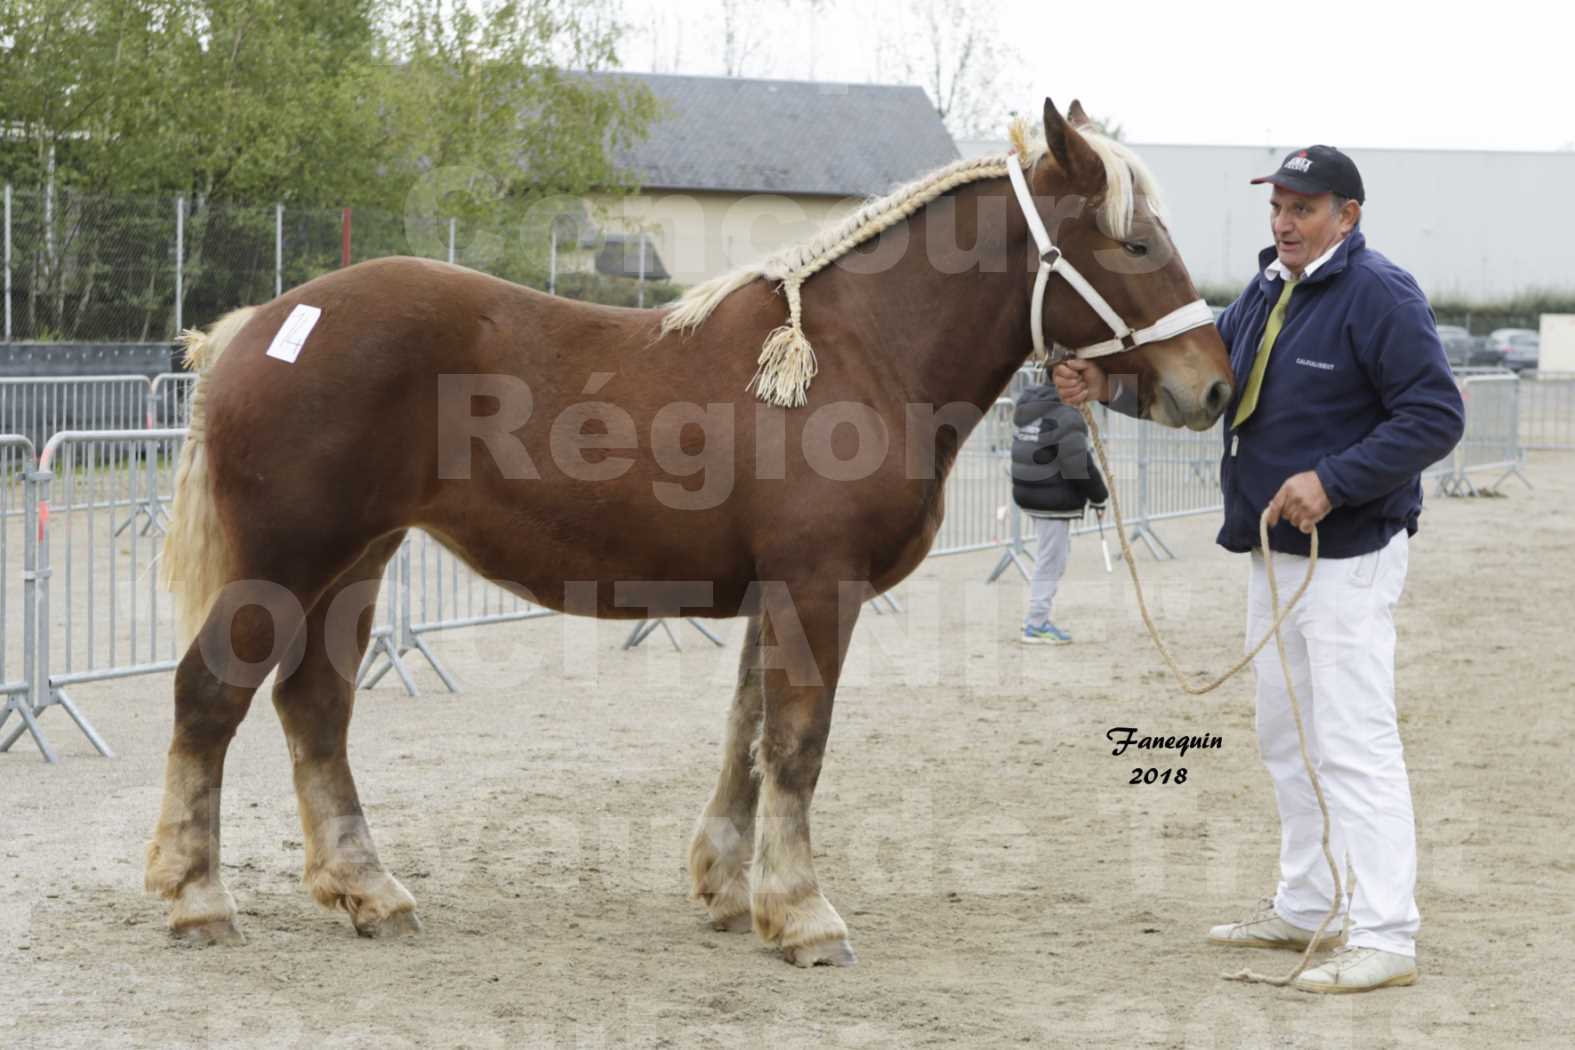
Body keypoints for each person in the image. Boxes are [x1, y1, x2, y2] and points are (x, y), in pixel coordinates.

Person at [1054, 145, 1464, 994]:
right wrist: (1108, 386)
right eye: (1277, 206)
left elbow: (1434, 414)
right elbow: (1213, 395)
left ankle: (1386, 934)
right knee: (1286, 739)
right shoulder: (1264, 291)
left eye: (1303, 209)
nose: (1283, 222)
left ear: (1346, 216)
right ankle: (1307, 905)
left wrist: (1333, 480)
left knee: (1353, 744)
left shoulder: (1379, 294)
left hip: (1346, 557)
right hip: (1273, 554)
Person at [1009, 381, 1108, 645]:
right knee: (1051, 560)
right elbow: (1078, 463)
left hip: (1030, 490)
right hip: (1051, 497)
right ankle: (1036, 622)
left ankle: (1037, 618)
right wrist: (1100, 496)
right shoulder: (1066, 414)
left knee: (1052, 556)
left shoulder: (1032, 405)